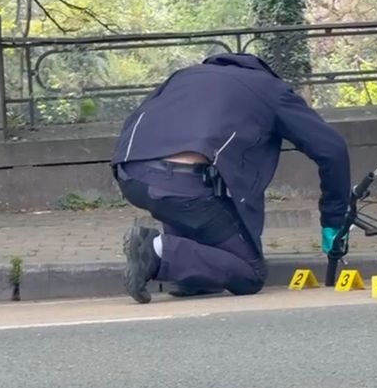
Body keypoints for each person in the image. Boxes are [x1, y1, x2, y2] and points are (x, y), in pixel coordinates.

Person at [110, 53, 351, 304]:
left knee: (199, 210)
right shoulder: (267, 88)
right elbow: (331, 149)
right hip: (182, 186)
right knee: (250, 273)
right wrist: (334, 221)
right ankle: (156, 250)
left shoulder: (183, 78)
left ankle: (193, 277)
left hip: (131, 176)